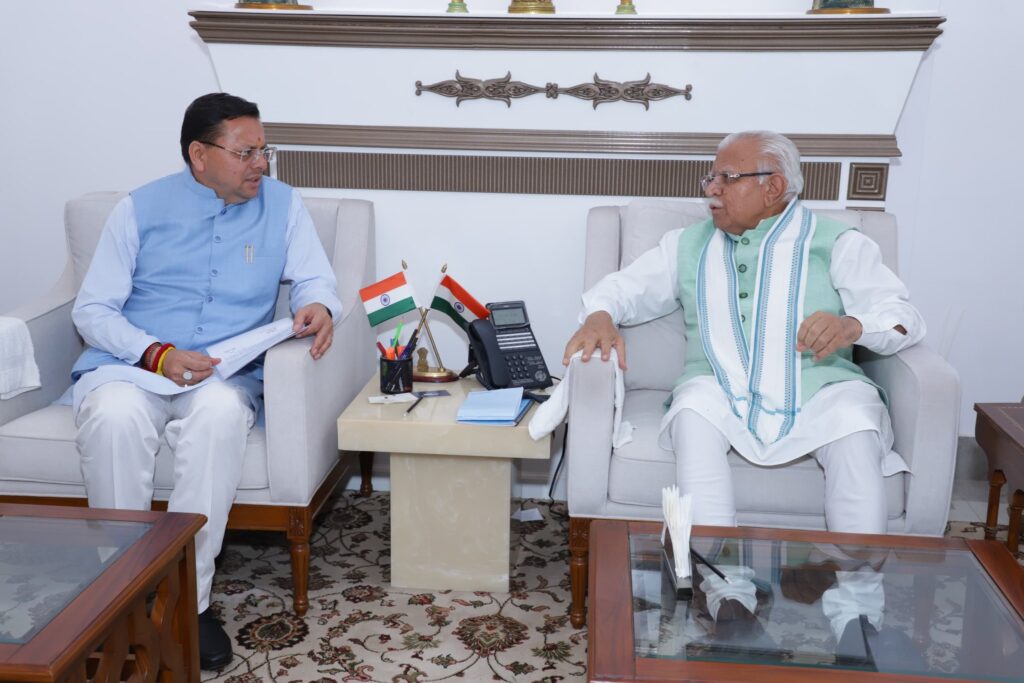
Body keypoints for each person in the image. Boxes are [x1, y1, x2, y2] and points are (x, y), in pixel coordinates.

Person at [71, 92, 342, 669]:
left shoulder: (283, 205)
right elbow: (92, 310)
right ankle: (122, 598)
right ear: (199, 154)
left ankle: (187, 601)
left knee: (219, 418)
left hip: (223, 375)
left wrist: (319, 304)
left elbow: (316, 278)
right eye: (246, 153)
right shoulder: (138, 208)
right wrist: (156, 353)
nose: (261, 164)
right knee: (114, 418)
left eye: (264, 151)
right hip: (135, 367)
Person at [563, 130, 925, 536]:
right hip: (718, 387)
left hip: (820, 389)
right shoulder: (686, 245)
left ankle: (858, 570)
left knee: (855, 421)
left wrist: (851, 326)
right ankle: (713, 568)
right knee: (692, 413)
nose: (711, 190)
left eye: (727, 178)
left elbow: (901, 317)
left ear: (773, 187)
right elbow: (623, 288)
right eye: (710, 178)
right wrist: (600, 315)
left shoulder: (837, 242)